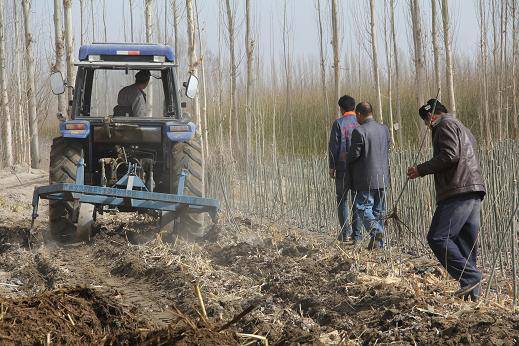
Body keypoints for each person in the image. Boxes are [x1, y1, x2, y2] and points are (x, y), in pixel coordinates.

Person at [407, 99, 486, 301]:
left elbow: (450, 155)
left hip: (457, 190)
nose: (427, 125)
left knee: (438, 237)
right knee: (465, 244)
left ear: (431, 116)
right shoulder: (463, 127)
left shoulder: (444, 125)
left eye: (426, 121)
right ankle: (471, 295)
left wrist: (420, 169)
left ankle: (470, 277)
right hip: (473, 189)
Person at [347, 102, 390, 249]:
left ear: (359, 114)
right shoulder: (384, 129)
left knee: (363, 208)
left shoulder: (359, 131)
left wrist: (346, 157)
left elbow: (354, 155)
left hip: (366, 179)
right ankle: (378, 245)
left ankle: (377, 233)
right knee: (379, 211)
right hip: (383, 177)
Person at [328, 95, 362, 242]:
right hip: (359, 167)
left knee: (342, 199)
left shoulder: (338, 123)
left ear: (341, 108)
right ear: (354, 107)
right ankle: (357, 234)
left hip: (342, 167)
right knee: (357, 200)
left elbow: (334, 146)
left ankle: (345, 234)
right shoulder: (361, 122)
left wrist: (332, 166)